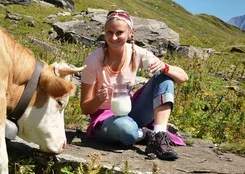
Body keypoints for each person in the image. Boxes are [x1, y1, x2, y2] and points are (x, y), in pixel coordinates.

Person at [80, 10, 189, 160]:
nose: (113, 37)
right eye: (109, 32)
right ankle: (144, 133)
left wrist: (164, 66)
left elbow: (183, 77)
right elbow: (85, 108)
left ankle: (158, 136)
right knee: (127, 129)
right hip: (105, 119)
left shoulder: (137, 53)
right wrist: (98, 99)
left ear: (130, 33)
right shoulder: (93, 61)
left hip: (130, 109)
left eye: (119, 32)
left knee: (164, 76)